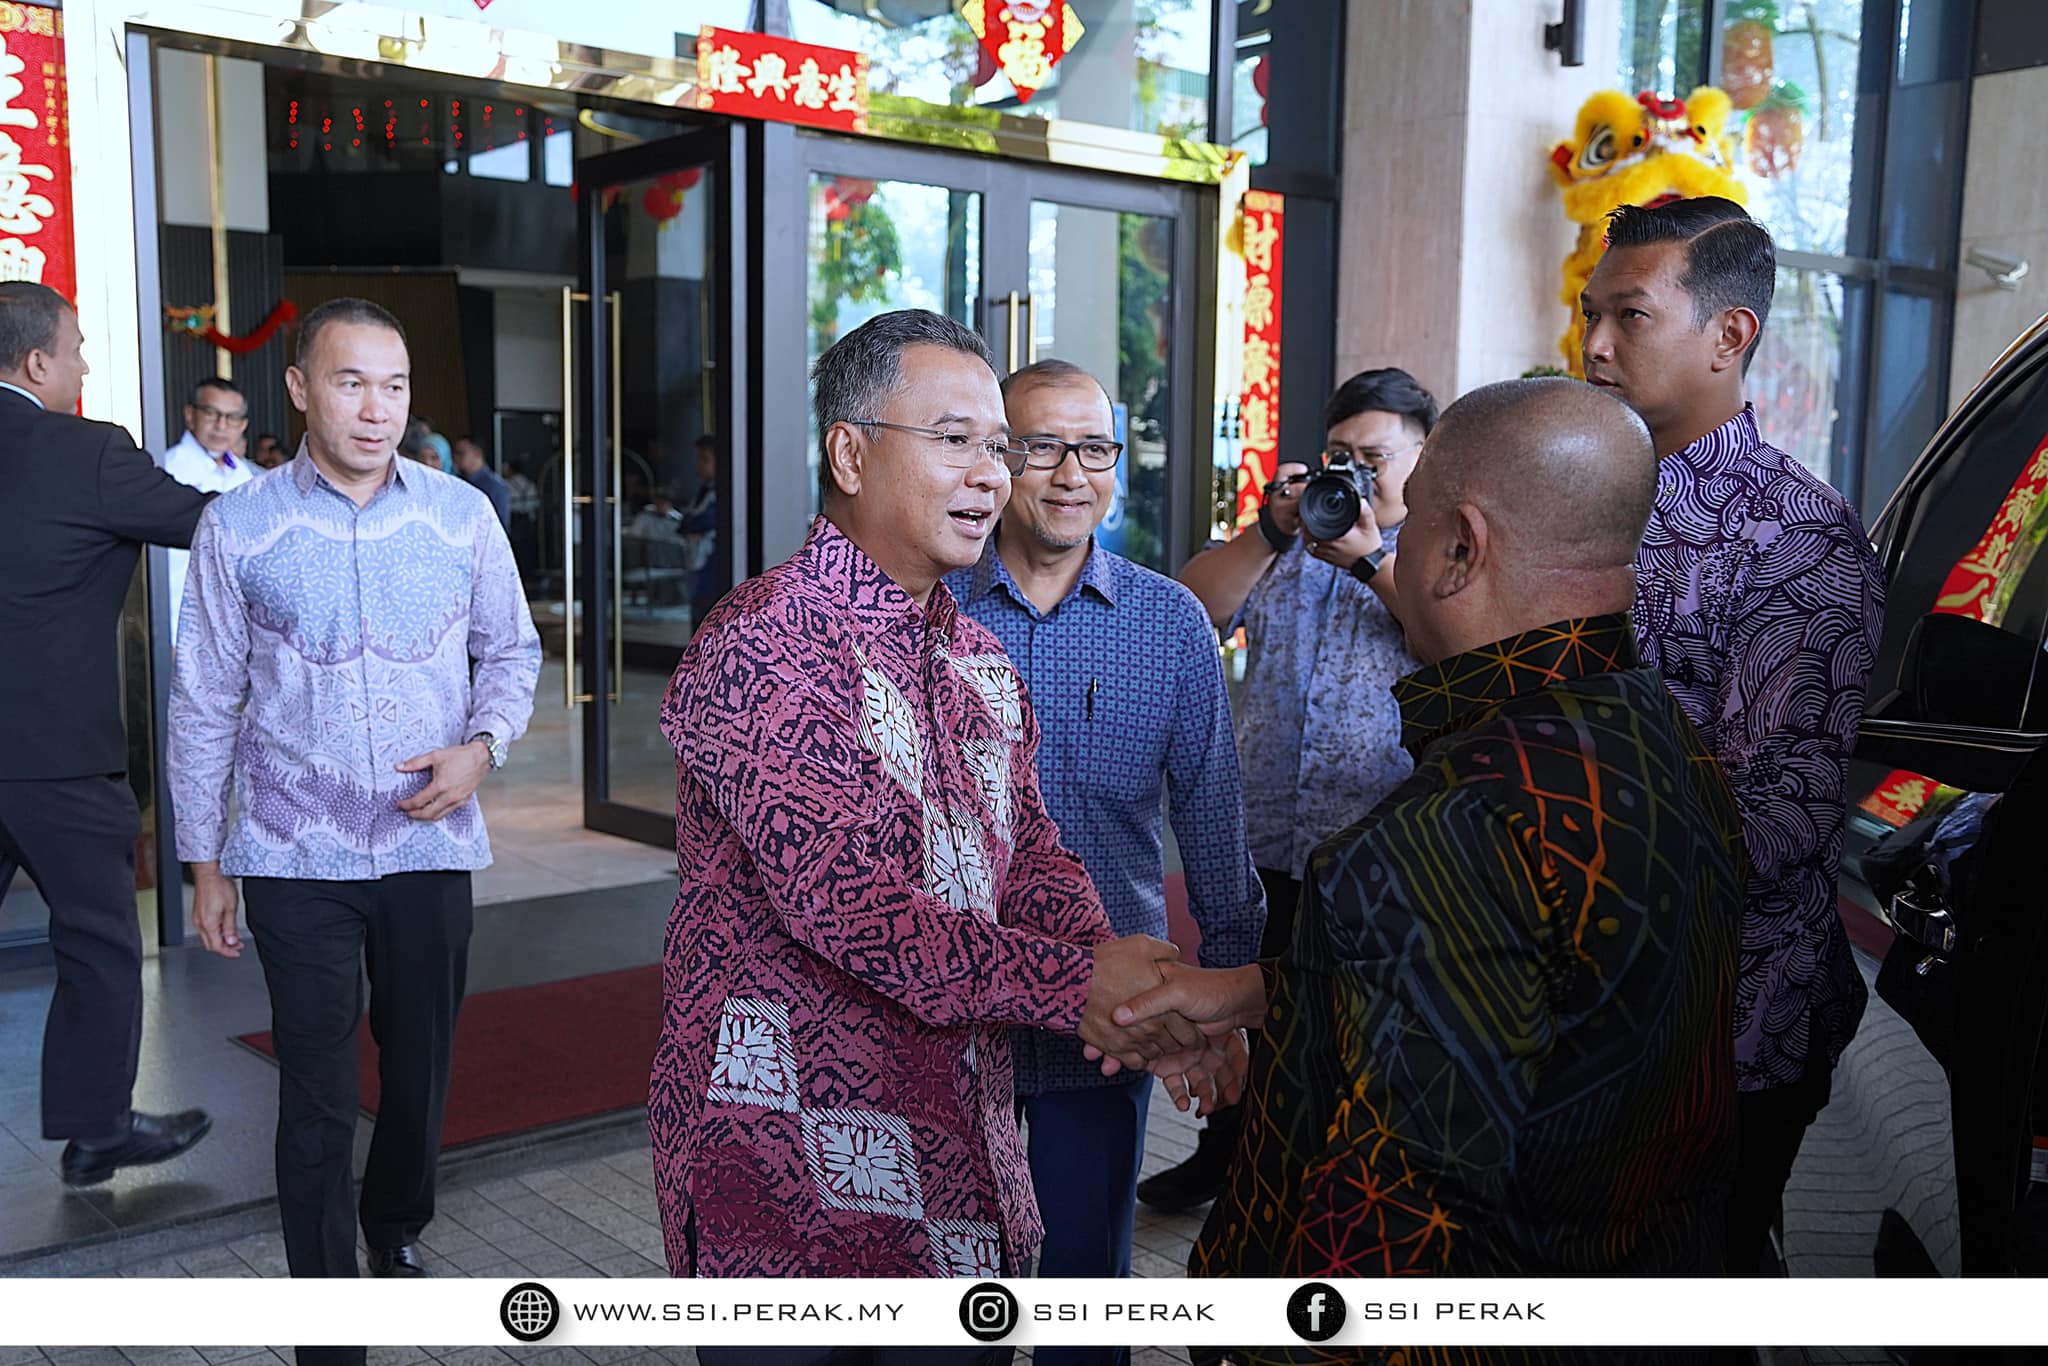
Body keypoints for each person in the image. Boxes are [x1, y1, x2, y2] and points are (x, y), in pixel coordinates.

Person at [1116, 380, 1745, 1339]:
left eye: (1411, 526)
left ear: (1461, 548)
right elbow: (1531, 999)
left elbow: (1394, 1223)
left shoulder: (1458, 821)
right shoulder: (1662, 736)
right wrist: (1260, 991)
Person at [655, 311, 1214, 1364]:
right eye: (953, 439)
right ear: (850, 451)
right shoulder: (760, 644)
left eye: (996, 446)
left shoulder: (976, 663)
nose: (990, 474)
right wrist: (1078, 990)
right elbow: (851, 909)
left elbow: (1033, 855)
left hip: (954, 1169)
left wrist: (1117, 972)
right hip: (780, 1181)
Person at [168, 299, 540, 1334]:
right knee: (319, 1089)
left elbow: (512, 652)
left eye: (395, 384)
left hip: (428, 840)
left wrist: (482, 748)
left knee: (419, 1059)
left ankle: (397, 1219)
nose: (376, 409)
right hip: (294, 848)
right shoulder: (238, 523)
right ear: (298, 387)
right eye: (349, 382)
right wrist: (203, 858)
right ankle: (328, 1316)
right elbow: (204, 695)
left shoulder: (460, 514)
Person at [1582, 197, 1887, 1275]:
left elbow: (1772, 815)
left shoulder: (1793, 538)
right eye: (1588, 315)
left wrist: (1549, 855)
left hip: (1721, 1024)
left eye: (1627, 315)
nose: (1593, 346)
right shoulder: (1580, 495)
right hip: (1573, 996)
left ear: (1727, 335)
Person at [942, 358, 1264, 1347]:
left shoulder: (1168, 622)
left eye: (1096, 448)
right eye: (1042, 446)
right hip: (958, 1014)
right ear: (1000, 459)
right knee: (951, 1285)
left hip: (1111, 1012)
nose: (1071, 473)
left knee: (1086, 1288)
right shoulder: (928, 607)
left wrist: (1225, 1001)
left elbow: (1212, 822)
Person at [1150, 368, 1436, 1212]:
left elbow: (1445, 642)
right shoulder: (1294, 544)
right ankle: (1226, 1156)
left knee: (1348, 1019)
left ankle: (1325, 1187)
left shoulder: (1436, 552)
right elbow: (1191, 605)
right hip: (1270, 830)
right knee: (1251, 1000)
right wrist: (1271, 530)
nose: (1354, 474)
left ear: (1423, 458)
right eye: (1339, 455)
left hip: (1373, 838)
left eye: (1374, 457)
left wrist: (1373, 556)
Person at [0, 281, 216, 1187]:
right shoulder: (86, 451)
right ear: (38, 360)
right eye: (78, 349)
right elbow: (212, 524)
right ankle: (96, 1130)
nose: (85, 365)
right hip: (58, 759)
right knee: (96, 942)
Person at [162, 377, 256, 644]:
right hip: (181, 629)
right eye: (211, 414)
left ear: (243, 426)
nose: (221, 425)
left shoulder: (246, 477)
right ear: (190, 415)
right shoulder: (168, 471)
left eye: (232, 417)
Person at [683, 431, 728, 630]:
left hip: (711, 568)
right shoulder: (704, 490)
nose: (699, 465)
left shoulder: (719, 492)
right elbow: (687, 522)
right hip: (699, 567)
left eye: (705, 459)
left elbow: (700, 520)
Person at [453, 434, 511, 531]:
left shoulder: (496, 486)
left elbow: (501, 527)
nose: (455, 458)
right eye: (454, 453)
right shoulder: (456, 482)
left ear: (477, 454)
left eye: (460, 453)